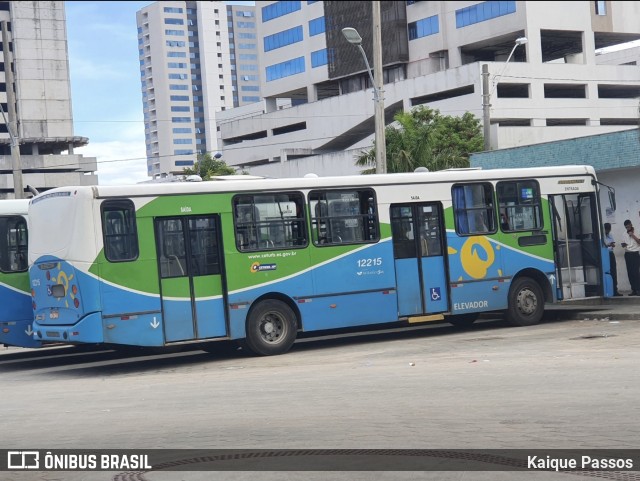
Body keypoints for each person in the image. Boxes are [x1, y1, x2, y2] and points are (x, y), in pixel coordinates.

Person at [621, 219, 640, 296]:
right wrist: (624, 245)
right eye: (626, 228)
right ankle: (634, 290)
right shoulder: (624, 234)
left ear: (631, 225)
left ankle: (638, 289)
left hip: (635, 254)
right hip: (628, 254)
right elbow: (622, 244)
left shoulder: (637, 231)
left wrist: (632, 235)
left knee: (636, 272)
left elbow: (639, 242)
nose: (627, 229)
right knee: (630, 273)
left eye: (628, 227)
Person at [604, 223, 621, 296]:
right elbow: (603, 245)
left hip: (611, 253)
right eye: (607, 229)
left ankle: (615, 290)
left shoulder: (610, 235)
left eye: (609, 229)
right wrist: (608, 245)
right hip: (605, 254)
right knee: (607, 272)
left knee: (614, 272)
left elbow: (613, 244)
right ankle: (608, 290)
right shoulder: (602, 236)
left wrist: (612, 245)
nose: (608, 231)